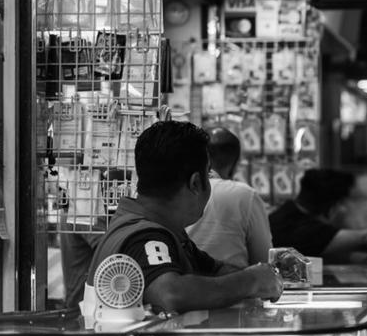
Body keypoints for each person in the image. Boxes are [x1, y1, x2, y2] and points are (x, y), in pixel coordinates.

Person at [82, 121, 283, 314]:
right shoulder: (143, 236)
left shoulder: (168, 231)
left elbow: (214, 270)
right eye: (208, 175)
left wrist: (262, 275)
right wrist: (251, 281)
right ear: (196, 183)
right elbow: (170, 294)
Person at [186, 127, 272, 269]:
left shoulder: (178, 191)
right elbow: (263, 260)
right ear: (235, 164)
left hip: (186, 285)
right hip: (235, 287)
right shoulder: (244, 195)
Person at [269, 168, 367, 263]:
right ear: (330, 204)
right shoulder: (305, 230)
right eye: (342, 203)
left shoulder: (286, 214)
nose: (344, 209)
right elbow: (364, 237)